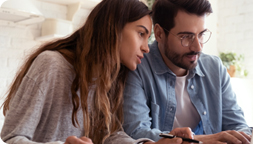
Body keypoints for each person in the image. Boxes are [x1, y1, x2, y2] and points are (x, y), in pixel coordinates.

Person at [0, 0, 193, 144]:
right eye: (141, 33)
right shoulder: (51, 65)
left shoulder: (111, 78)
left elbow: (110, 135)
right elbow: (12, 136)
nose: (146, 48)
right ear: (113, 28)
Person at [123, 0, 252, 144]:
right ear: (159, 34)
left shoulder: (214, 68)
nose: (198, 47)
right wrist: (203, 140)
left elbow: (238, 125)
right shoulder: (137, 68)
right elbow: (136, 132)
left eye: (201, 34)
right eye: (186, 37)